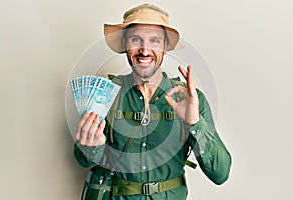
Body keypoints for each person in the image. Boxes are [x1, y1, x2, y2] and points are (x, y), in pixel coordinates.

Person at [73, 3, 231, 200]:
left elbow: (221, 174)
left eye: (154, 41)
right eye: (135, 39)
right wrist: (91, 146)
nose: (145, 51)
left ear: (165, 47)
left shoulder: (191, 99)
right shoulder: (106, 94)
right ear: (125, 45)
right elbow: (81, 159)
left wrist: (195, 123)